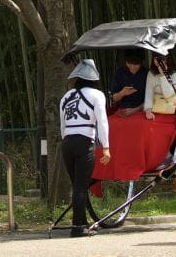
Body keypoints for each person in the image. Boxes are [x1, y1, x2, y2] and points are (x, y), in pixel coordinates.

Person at [59, 59, 111, 237]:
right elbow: (102, 122)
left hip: (67, 143)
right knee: (81, 187)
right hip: (84, 142)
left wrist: (67, 140)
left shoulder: (66, 97)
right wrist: (106, 147)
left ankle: (82, 222)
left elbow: (62, 126)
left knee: (78, 186)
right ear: (93, 78)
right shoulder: (97, 95)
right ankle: (77, 228)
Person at [143, 53, 176, 120]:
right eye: (156, 59)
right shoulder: (151, 73)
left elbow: (168, 95)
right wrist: (148, 111)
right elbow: (149, 92)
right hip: (157, 109)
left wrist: (163, 75)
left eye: (162, 59)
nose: (159, 62)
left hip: (174, 110)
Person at [110, 49, 147, 116]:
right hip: (123, 110)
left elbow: (151, 99)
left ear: (141, 62)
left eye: (136, 64)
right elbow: (114, 98)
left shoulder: (147, 74)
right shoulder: (119, 73)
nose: (132, 67)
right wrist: (122, 93)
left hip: (143, 110)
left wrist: (134, 110)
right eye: (129, 63)